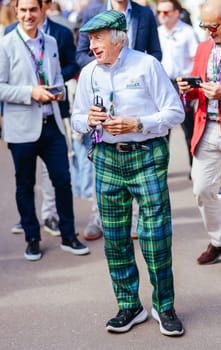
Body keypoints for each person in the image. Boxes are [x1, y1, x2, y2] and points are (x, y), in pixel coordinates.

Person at [72, 9, 185, 335]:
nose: (92, 45)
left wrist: (139, 124)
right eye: (89, 38)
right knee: (116, 240)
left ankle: (165, 308)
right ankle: (129, 306)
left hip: (146, 155)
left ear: (118, 37)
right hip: (107, 158)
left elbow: (174, 111)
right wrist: (88, 121)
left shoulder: (147, 65)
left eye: (97, 38)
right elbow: (78, 117)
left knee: (156, 238)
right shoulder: (90, 72)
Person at [0, 0, 89, 261]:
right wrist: (31, 93)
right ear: (16, 12)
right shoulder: (5, 44)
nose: (28, 15)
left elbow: (57, 77)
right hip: (22, 128)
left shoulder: (50, 41)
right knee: (25, 185)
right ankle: (32, 238)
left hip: (53, 125)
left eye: (33, 10)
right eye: (23, 10)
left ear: (42, 11)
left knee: (63, 181)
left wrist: (58, 90)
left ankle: (68, 235)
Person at [75, 0, 162, 240]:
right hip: (102, 107)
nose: (93, 43)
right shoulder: (92, 11)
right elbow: (81, 53)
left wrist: (136, 70)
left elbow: (155, 50)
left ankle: (135, 221)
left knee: (145, 204)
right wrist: (102, 68)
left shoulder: (144, 13)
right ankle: (98, 216)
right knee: (100, 172)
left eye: (98, 38)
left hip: (138, 103)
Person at [177, 0, 221, 280]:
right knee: (201, 188)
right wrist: (188, 89)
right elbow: (197, 90)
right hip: (206, 127)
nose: (208, 31)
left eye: (212, 26)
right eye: (204, 26)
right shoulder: (203, 48)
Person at [157, 0, 199, 176]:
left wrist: (190, 85)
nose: (162, 16)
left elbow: (196, 59)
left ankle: (195, 170)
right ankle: (160, 170)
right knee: (161, 131)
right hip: (163, 84)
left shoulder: (187, 32)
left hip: (182, 84)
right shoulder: (157, 32)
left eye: (166, 12)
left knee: (188, 129)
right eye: (159, 12)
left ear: (176, 13)